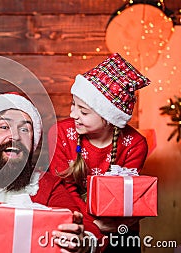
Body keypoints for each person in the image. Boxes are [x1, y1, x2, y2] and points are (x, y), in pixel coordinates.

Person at [47, 53, 150, 253]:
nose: (73, 114)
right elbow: (63, 189)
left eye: (84, 111)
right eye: (73, 104)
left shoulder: (134, 144)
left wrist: (109, 226)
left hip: (118, 229)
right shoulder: (60, 133)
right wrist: (93, 226)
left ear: (108, 118)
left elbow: (125, 199)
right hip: (74, 220)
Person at [0, 92, 101, 253]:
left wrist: (84, 243)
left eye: (24, 129)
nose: (16, 137)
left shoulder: (47, 185)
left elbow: (89, 231)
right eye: (4, 127)